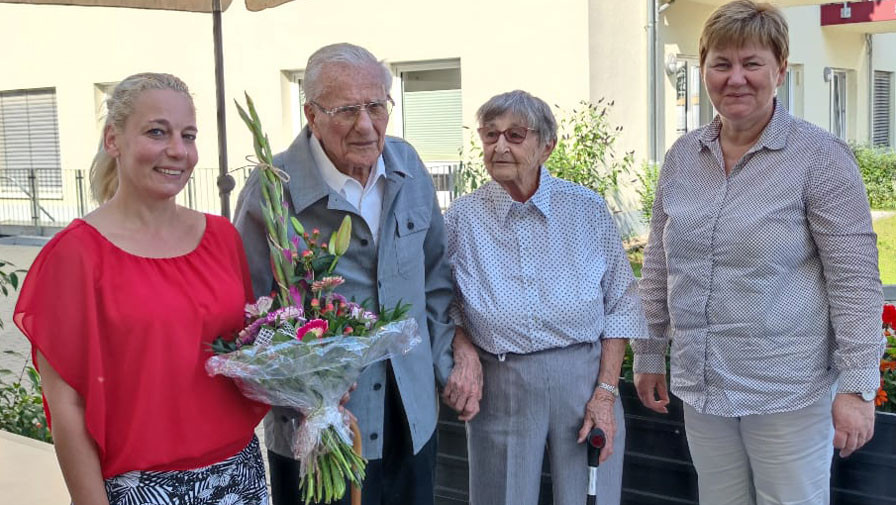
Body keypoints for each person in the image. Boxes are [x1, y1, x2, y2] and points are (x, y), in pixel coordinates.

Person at [632, 2, 884, 504]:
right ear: (703, 69)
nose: (736, 78)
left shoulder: (819, 158)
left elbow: (854, 282)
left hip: (786, 390)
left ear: (780, 69)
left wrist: (856, 387)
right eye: (721, 64)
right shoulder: (683, 157)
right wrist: (647, 350)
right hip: (704, 386)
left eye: (752, 63)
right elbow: (660, 266)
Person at [233, 43, 480, 505]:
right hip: (322, 429)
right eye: (346, 110)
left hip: (412, 414)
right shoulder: (274, 189)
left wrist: (454, 360)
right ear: (311, 113)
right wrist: (299, 394)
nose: (366, 125)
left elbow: (436, 281)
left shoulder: (408, 166)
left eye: (375, 106)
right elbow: (249, 315)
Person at [13, 73, 270, 505]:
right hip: (140, 491)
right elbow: (68, 411)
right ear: (113, 139)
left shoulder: (223, 237)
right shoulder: (73, 256)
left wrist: (311, 376)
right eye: (157, 132)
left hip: (239, 475)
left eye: (188, 135)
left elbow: (242, 355)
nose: (178, 150)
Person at [444, 90, 647, 505]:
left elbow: (622, 303)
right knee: (501, 496)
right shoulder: (460, 219)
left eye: (515, 135)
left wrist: (605, 394)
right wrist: (462, 348)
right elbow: (441, 300)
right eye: (490, 135)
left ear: (547, 146)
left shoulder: (586, 209)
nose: (499, 146)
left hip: (585, 377)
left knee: (592, 498)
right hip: (502, 381)